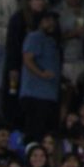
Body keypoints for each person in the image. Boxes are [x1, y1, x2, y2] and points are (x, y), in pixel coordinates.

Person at [19, 10, 62, 142]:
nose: (51, 23)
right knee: (35, 134)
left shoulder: (51, 40)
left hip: (49, 94)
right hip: (35, 94)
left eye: (52, 20)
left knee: (46, 135)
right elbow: (27, 59)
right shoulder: (35, 37)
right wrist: (41, 73)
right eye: (47, 20)